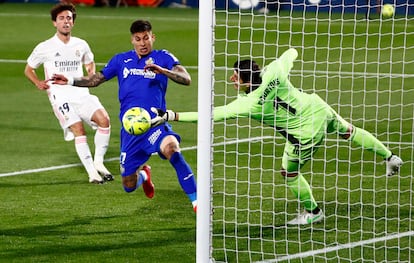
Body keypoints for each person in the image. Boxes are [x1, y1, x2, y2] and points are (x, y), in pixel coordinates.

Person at [150, 47, 403, 224]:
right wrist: (286, 55)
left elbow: (210, 114)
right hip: (318, 109)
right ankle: (390, 156)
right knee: (349, 131)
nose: (231, 79)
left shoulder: (248, 103)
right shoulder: (275, 71)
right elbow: (291, 53)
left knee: (289, 172)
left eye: (235, 76)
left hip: (304, 134)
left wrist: (171, 115)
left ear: (246, 82)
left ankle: (313, 212)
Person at [52, 20, 197, 212]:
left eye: (146, 38)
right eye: (138, 39)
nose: (143, 43)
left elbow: (186, 79)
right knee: (128, 185)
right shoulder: (121, 60)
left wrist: (162, 71)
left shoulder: (163, 57)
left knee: (173, 150)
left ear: (153, 38)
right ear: (132, 40)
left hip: (155, 123)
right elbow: (96, 79)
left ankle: (197, 203)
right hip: (131, 131)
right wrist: (70, 80)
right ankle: (144, 175)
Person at [24, 3, 113, 184]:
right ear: (54, 23)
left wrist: (90, 73)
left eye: (69, 18)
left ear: (73, 22)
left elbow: (89, 62)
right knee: (79, 130)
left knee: (104, 120)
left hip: (81, 93)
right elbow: (29, 69)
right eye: (62, 18)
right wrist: (38, 82)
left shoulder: (81, 44)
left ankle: (99, 162)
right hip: (60, 97)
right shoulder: (45, 47)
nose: (66, 22)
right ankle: (92, 174)